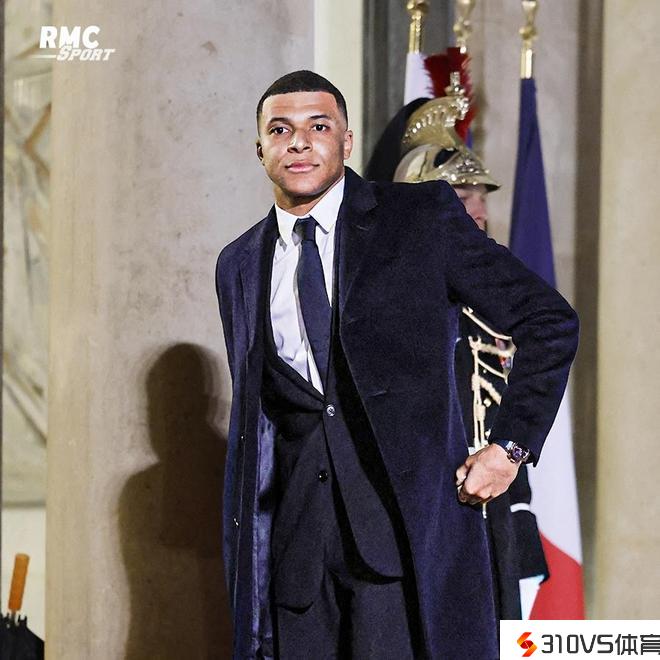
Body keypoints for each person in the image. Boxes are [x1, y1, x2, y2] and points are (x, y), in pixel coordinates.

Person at [215, 70, 579, 659]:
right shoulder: (238, 263)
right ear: (260, 150)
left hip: (405, 549)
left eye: (318, 127)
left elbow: (550, 321)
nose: (299, 142)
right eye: (280, 130)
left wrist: (509, 448)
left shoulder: (418, 219)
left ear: (346, 142)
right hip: (296, 561)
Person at [365, 71, 549, 621]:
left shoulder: (495, 302)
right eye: (462, 196)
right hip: (413, 515)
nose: (479, 210)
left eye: (479, 197)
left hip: (490, 512)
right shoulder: (382, 298)